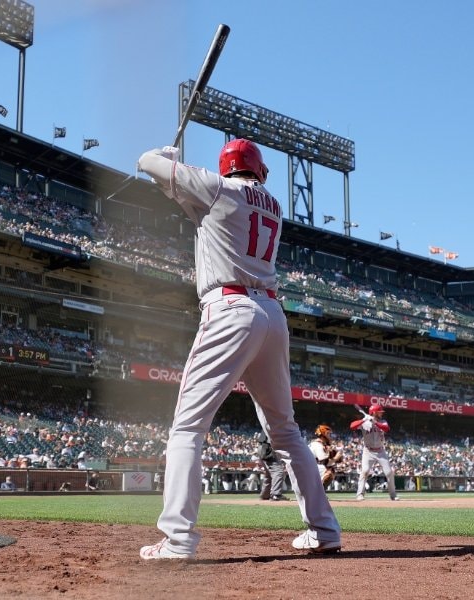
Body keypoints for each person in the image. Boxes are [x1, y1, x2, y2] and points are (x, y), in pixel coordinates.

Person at [135, 139, 341, 560]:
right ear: (260, 171)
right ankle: (324, 530)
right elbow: (197, 204)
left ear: (226, 167)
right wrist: (171, 179)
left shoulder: (218, 188)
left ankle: (178, 540)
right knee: (286, 432)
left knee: (188, 427)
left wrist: (167, 159)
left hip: (229, 309)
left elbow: (146, 163)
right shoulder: (273, 204)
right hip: (272, 313)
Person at [350, 405, 397, 501]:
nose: (381, 413)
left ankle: (393, 495)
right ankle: (360, 494)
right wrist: (364, 420)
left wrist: (375, 422)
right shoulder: (365, 422)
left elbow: (386, 429)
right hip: (368, 451)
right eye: (379, 412)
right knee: (365, 471)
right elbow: (352, 426)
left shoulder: (383, 421)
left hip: (380, 451)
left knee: (389, 472)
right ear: (374, 412)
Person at [308, 425, 343, 490]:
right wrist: (336, 457)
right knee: (329, 472)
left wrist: (333, 453)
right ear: (323, 433)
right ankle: (319, 493)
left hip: (311, 466)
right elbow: (325, 462)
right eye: (328, 433)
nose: (330, 436)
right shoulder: (317, 444)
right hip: (309, 468)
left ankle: (318, 492)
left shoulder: (321, 444)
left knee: (330, 469)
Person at [256, 430, 287, 501]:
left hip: (262, 447)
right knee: (278, 472)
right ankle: (276, 494)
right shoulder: (277, 422)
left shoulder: (269, 421)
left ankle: (265, 495)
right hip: (267, 448)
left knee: (269, 475)